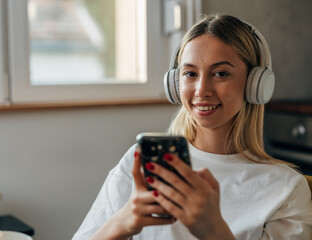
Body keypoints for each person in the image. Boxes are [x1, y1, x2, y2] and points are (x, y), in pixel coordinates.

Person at [72, 14, 312, 240]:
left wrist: (214, 230)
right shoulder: (139, 164)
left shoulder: (286, 189)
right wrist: (121, 222)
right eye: (190, 73)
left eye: (220, 73)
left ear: (254, 84)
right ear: (175, 84)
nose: (201, 90)